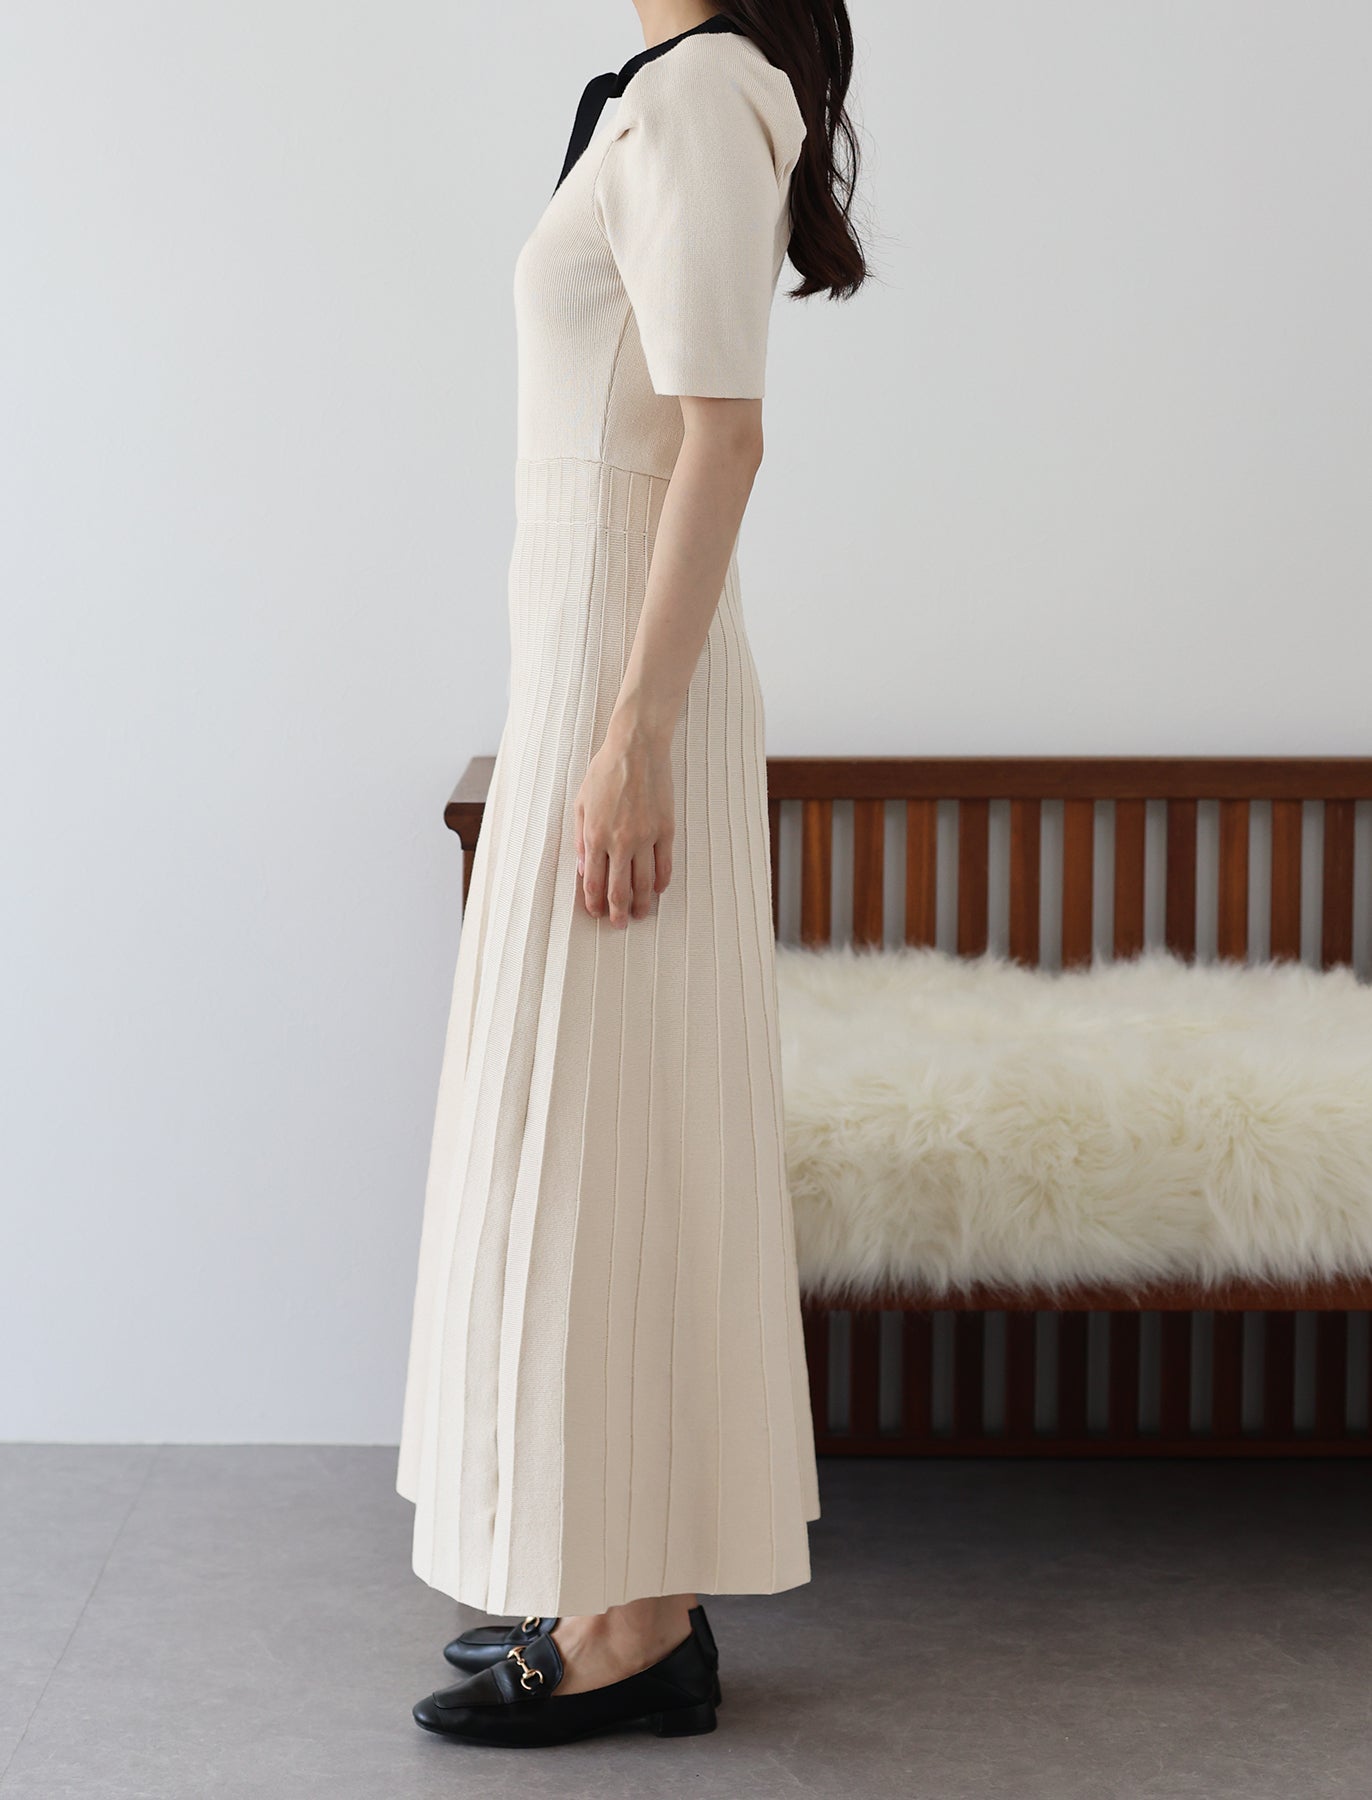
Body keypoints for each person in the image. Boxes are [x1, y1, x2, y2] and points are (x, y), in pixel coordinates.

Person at [397, 0, 870, 1748]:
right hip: (590, 677)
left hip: (625, 692)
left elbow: (722, 438)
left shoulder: (699, 96)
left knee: (610, 1129)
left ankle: (636, 1623)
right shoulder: (668, 96)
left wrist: (635, 735)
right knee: (595, 1125)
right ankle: (617, 1585)